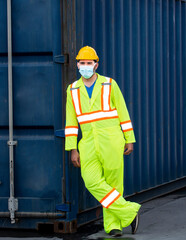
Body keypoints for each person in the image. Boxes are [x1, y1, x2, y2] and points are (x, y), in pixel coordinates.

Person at [65, 46, 140, 237]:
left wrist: (129, 138)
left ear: (96, 65)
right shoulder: (72, 90)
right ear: (77, 65)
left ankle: (114, 226)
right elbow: (71, 122)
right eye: (82, 63)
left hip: (112, 140)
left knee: (114, 183)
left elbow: (123, 112)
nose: (85, 66)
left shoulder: (109, 84)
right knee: (91, 181)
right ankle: (129, 211)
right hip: (88, 143)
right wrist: (72, 148)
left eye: (89, 63)